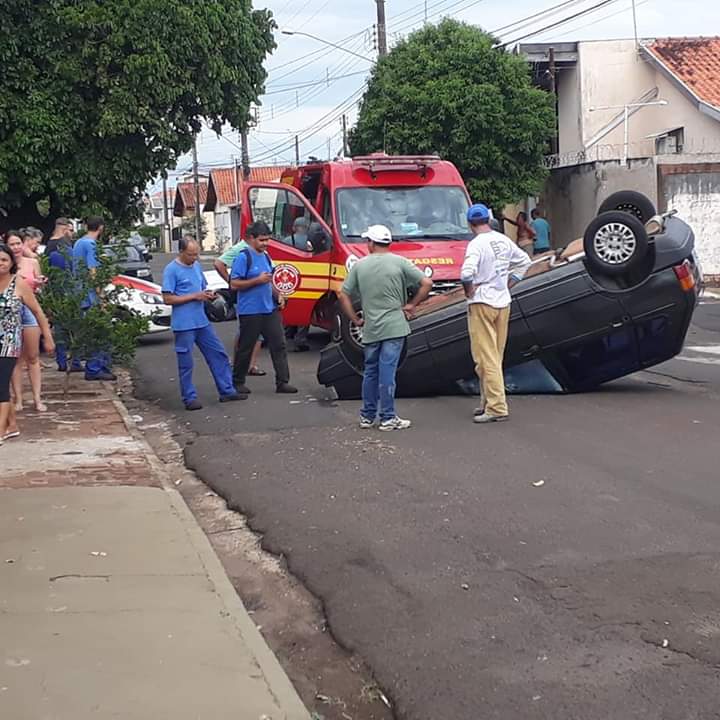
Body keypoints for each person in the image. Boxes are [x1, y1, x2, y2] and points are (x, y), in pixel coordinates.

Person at [339, 224, 432, 431]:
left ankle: (367, 416)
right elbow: (427, 283)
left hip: (371, 328)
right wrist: (411, 305)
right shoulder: (400, 262)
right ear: (388, 243)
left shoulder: (360, 266)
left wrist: (355, 319)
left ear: (371, 243)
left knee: (370, 371)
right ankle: (388, 417)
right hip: (395, 325)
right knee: (387, 371)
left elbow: (343, 294)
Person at [461, 204, 531, 424]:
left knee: (485, 357)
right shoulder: (502, 240)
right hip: (503, 301)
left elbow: (466, 274)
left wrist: (469, 291)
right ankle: (487, 401)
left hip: (482, 302)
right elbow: (524, 261)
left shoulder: (476, 245)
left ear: (470, 223)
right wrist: (511, 283)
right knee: (495, 355)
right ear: (488, 219)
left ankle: (497, 407)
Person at [161, 237, 242, 411]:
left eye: (197, 254)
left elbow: (201, 288)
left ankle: (227, 390)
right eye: (191, 255)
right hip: (184, 323)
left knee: (218, 354)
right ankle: (189, 397)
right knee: (186, 362)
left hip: (201, 321)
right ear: (181, 252)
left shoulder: (196, 266)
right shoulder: (171, 270)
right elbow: (167, 298)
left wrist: (208, 294)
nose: (195, 258)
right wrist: (193, 296)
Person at [230, 221, 297, 395]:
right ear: (251, 239)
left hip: (269, 309)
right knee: (246, 346)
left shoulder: (266, 256)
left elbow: (270, 281)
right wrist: (255, 281)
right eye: (262, 240)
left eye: (267, 240)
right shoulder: (243, 257)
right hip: (250, 310)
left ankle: (282, 382)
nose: (265, 243)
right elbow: (234, 284)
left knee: (279, 344)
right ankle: (237, 382)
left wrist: (279, 295)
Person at [0, 243, 54, 445]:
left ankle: (1, 430)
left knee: (1, 386)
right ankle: (12, 425)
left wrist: (47, 336)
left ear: (11, 262)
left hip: (9, 341)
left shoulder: (19, 284)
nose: (0, 264)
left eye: (4, 259)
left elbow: (38, 312)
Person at [6, 231, 47, 411]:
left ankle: (37, 399)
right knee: (15, 358)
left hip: (30, 309)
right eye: (11, 244)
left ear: (23, 244)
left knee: (32, 356)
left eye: (18, 243)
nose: (15, 247)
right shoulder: (5, 264)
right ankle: (18, 399)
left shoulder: (33, 262)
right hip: (9, 311)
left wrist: (39, 283)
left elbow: (39, 289)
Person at [213, 238, 265, 378]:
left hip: (260, 296)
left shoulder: (260, 249)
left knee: (256, 332)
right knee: (247, 331)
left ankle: (250, 365)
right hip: (246, 294)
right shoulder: (241, 248)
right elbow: (218, 263)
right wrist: (232, 282)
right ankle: (242, 365)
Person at [72, 216, 115, 381]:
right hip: (90, 296)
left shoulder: (78, 243)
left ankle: (97, 366)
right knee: (100, 333)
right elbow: (93, 272)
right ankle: (95, 368)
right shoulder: (91, 245)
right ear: (101, 228)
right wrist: (101, 296)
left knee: (92, 333)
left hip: (79, 294)